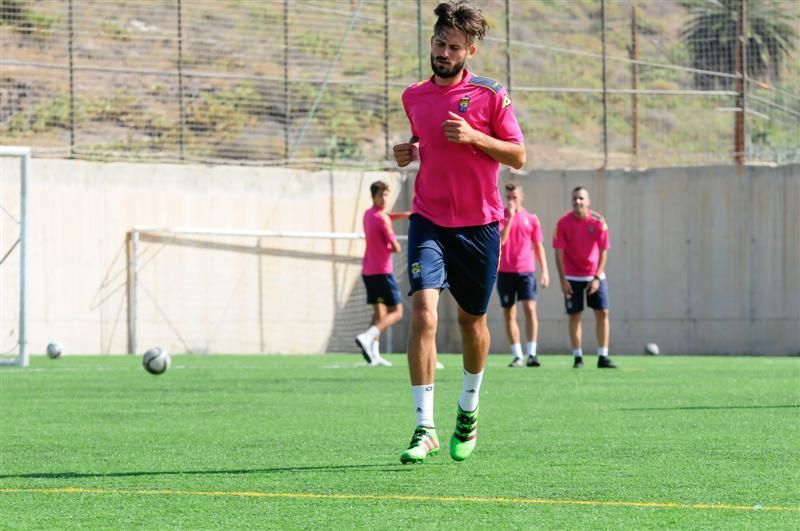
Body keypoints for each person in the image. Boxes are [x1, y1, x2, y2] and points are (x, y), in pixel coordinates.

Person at [392, 0, 525, 464]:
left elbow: (518, 156)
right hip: (428, 218)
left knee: (472, 321)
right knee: (424, 312)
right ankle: (423, 426)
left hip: (481, 225)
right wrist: (409, 151)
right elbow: (423, 142)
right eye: (438, 44)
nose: (443, 53)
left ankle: (467, 410)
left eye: (453, 47)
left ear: (469, 51)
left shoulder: (491, 95)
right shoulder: (413, 95)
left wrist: (475, 138)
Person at [552, 186, 617, 369]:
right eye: (575, 199)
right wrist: (562, 279)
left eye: (581, 198)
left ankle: (603, 357)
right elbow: (558, 252)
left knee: (603, 313)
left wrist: (597, 277)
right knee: (575, 316)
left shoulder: (598, 221)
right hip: (572, 277)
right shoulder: (562, 223)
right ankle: (577, 357)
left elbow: (604, 251)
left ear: (588, 201)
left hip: (595, 276)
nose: (577, 202)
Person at [355, 181, 410, 367]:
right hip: (382, 271)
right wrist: (393, 245)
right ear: (374, 197)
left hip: (368, 271)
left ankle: (374, 354)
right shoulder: (383, 219)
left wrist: (403, 215)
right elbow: (395, 247)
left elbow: (385, 217)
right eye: (381, 195)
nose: (385, 199)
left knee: (379, 313)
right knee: (397, 312)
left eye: (387, 195)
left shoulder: (368, 215)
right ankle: (367, 336)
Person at [497, 182, 549, 368]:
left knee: (530, 309)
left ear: (522, 196)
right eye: (508, 197)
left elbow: (538, 245)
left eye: (514, 197)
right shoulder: (500, 216)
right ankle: (517, 355)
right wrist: (510, 217)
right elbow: (501, 241)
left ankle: (532, 353)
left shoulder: (532, 218)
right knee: (509, 313)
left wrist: (545, 271)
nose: (511, 201)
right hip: (505, 271)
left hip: (526, 271)